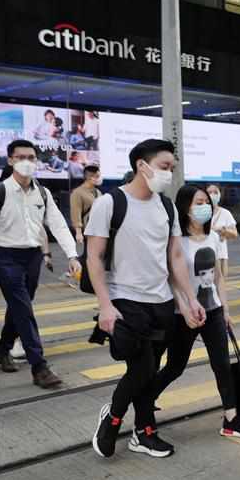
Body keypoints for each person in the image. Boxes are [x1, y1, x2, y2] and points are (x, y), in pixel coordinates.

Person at [88, 139, 205, 459]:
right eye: (165, 167)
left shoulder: (166, 207)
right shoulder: (109, 203)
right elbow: (94, 258)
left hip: (161, 302)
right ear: (143, 165)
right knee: (142, 369)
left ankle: (144, 432)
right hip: (125, 299)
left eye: (172, 168)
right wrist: (105, 305)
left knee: (150, 371)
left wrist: (189, 299)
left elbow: (176, 256)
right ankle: (112, 418)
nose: (169, 174)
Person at [150, 185, 240, 440]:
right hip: (184, 314)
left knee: (221, 364)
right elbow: (172, 279)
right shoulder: (176, 240)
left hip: (213, 311)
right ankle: (145, 398)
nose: (205, 206)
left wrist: (225, 309)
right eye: (199, 202)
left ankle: (231, 418)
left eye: (207, 202)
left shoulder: (213, 237)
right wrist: (185, 308)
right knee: (176, 366)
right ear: (185, 207)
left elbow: (218, 277)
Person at [0, 140, 80, 387]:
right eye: (21, 157)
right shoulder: (0, 191)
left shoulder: (42, 193)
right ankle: (39, 367)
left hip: (32, 256)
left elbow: (57, 223)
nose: (27, 162)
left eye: (31, 157)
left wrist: (72, 255)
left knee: (19, 306)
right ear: (10, 160)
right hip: (4, 256)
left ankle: (2, 348)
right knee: (24, 309)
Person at [206, 184, 237, 278]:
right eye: (209, 192)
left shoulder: (225, 213)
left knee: (221, 285)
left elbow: (234, 234)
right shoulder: (200, 212)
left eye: (215, 192)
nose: (212, 195)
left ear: (220, 194)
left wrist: (223, 230)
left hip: (221, 255)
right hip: (204, 255)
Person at [70, 165, 103, 247]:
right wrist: (78, 233)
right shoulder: (77, 192)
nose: (99, 178)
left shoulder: (98, 192)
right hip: (88, 231)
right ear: (89, 177)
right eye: (97, 176)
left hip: (100, 230)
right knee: (89, 255)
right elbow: (76, 213)